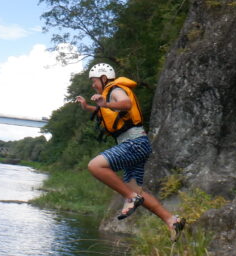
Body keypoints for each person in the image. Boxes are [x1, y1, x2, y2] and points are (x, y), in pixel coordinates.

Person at [75, 63, 186, 240]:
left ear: (104, 78)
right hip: (138, 144)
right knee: (137, 192)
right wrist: (86, 106)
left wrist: (107, 103)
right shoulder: (108, 95)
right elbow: (104, 111)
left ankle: (129, 198)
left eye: (94, 81)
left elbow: (125, 104)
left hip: (133, 143)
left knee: (95, 166)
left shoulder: (116, 89)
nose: (92, 85)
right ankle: (172, 220)